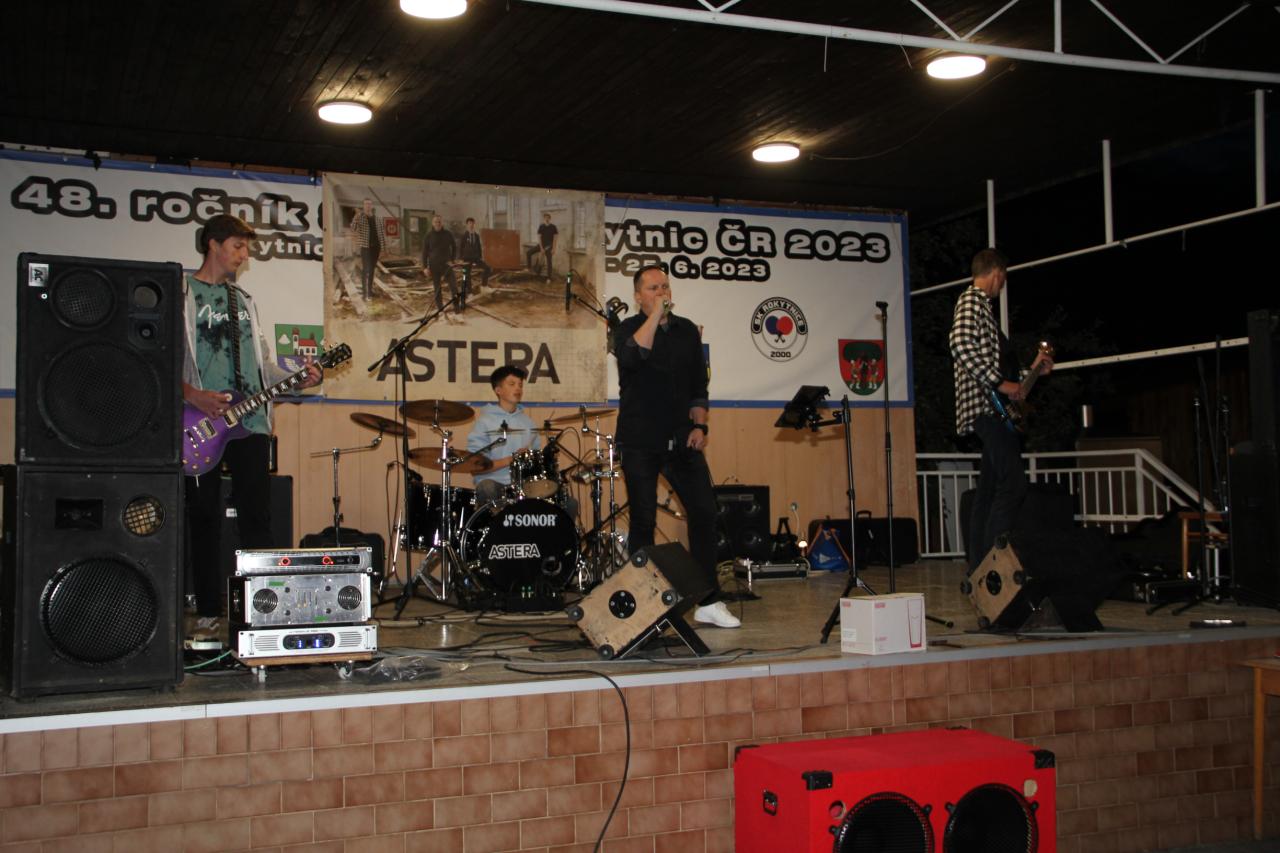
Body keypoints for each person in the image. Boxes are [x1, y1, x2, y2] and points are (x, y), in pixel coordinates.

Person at [183, 214, 323, 618]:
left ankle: (263, 610)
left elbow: (263, 368)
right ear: (213, 244)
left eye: (246, 248)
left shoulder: (244, 301)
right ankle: (209, 612)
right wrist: (193, 395)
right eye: (238, 246)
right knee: (204, 517)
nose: (244, 255)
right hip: (200, 423)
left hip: (251, 422)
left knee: (257, 518)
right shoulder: (182, 294)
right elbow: (160, 362)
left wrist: (299, 380)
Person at [612, 264, 738, 629]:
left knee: (704, 513)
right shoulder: (625, 329)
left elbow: (699, 383)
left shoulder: (686, 331)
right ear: (638, 296)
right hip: (640, 440)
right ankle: (642, 604)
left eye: (665, 286)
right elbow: (634, 357)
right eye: (653, 288)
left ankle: (708, 601)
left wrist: (700, 424)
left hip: (682, 438)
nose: (662, 292)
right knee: (643, 520)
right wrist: (654, 316)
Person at [949, 248, 1052, 571]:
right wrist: (1000, 383)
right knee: (1013, 485)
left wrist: (1033, 370)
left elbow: (1008, 381)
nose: (1002, 285)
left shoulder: (983, 312)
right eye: (1003, 279)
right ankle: (993, 566)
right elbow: (959, 345)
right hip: (987, 409)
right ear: (997, 273)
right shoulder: (971, 301)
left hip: (993, 410)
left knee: (988, 492)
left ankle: (979, 567)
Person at [466, 365, 540, 505]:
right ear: (498, 390)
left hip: (523, 485)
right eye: (512, 384)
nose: (518, 388)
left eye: (520, 385)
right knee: (487, 487)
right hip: (495, 483)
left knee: (567, 502)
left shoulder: (528, 423)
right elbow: (475, 466)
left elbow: (537, 460)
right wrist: (512, 459)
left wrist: (530, 458)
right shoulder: (484, 422)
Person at [349, 198, 387, 301]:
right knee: (366, 270)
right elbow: (353, 229)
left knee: (372, 270)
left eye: (369, 204)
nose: (368, 206)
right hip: (366, 247)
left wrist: (383, 249)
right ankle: (365, 294)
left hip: (376, 248)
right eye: (366, 204)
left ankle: (369, 292)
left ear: (372, 206)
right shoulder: (360, 217)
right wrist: (356, 217)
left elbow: (381, 235)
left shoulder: (377, 219)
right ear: (363, 206)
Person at [422, 214, 457, 311]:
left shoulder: (448, 234)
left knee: (453, 286)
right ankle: (440, 308)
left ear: (442, 223)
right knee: (437, 289)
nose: (438, 223)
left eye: (439, 222)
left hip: (447, 265)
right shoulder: (428, 236)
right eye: (436, 222)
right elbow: (424, 252)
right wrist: (425, 267)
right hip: (434, 266)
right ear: (432, 223)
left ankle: (457, 307)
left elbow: (454, 246)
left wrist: (452, 259)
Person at [458, 216, 491, 308]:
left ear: (474, 224)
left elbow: (479, 247)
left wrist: (480, 257)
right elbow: (460, 247)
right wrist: (461, 258)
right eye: (469, 223)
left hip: (476, 257)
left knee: (487, 268)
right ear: (467, 225)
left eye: (472, 223)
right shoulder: (464, 235)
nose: (471, 225)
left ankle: (484, 286)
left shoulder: (476, 235)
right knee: (466, 275)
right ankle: (469, 292)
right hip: (466, 258)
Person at [525, 212, 558, 281]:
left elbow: (555, 239)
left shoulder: (553, 227)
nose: (547, 219)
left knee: (549, 261)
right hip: (541, 245)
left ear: (550, 218)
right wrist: (541, 248)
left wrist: (554, 249)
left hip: (549, 246)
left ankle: (549, 278)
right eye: (545, 217)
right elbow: (539, 238)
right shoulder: (541, 226)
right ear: (544, 218)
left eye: (548, 217)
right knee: (528, 253)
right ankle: (529, 268)